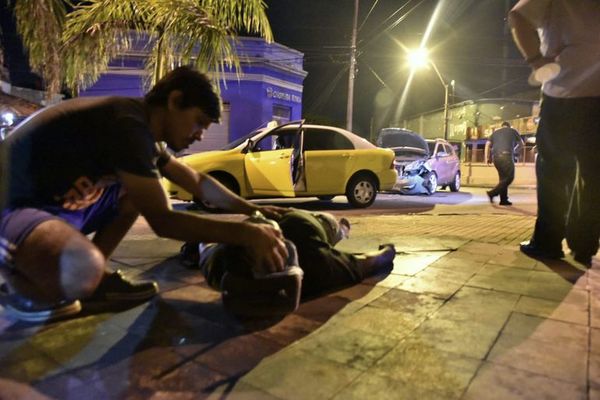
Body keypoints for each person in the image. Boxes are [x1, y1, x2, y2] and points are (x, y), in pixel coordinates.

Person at [0, 66, 289, 322]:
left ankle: (93, 282)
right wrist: (246, 234)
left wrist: (252, 211)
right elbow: (163, 222)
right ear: (175, 101)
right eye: (199, 121)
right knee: (79, 267)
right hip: (12, 206)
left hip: (57, 207)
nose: (201, 134)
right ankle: (18, 287)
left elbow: (198, 182)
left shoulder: (142, 134)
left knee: (133, 195)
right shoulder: (127, 125)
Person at [509, 0, 600, 266]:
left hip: (565, 91)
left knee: (554, 172)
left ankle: (548, 242)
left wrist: (537, 61)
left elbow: (518, 16)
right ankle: (585, 244)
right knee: (595, 177)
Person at [183, 209, 396, 317]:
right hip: (295, 232)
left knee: (212, 253)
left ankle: (342, 229)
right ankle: (341, 229)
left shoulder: (294, 216)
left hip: (252, 235)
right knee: (328, 250)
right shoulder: (316, 254)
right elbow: (363, 264)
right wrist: (387, 253)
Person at [486, 121, 524, 206]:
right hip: (506, 156)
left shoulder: (495, 133)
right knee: (510, 177)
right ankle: (492, 193)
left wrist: (487, 157)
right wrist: (514, 151)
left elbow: (487, 144)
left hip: (496, 158)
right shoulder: (513, 131)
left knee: (503, 179)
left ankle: (503, 200)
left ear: (502, 126)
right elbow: (521, 144)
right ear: (509, 126)